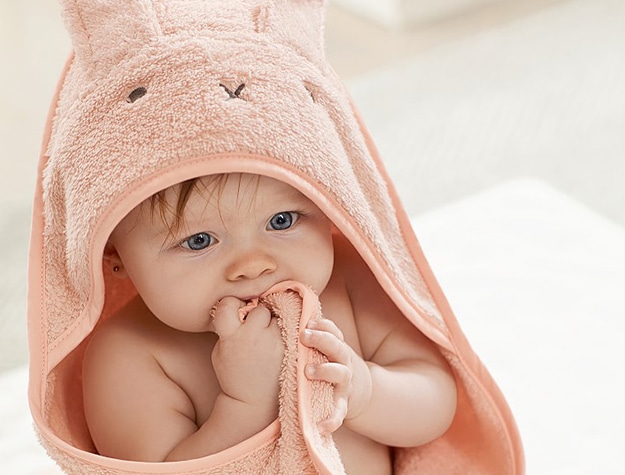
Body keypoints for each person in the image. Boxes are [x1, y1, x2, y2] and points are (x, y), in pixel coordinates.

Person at [82, 172, 457, 474]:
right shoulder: (128, 354)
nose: (253, 265)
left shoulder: (348, 277)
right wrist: (244, 405)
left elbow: (437, 400)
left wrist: (365, 391)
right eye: (198, 241)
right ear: (115, 255)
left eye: (282, 221)